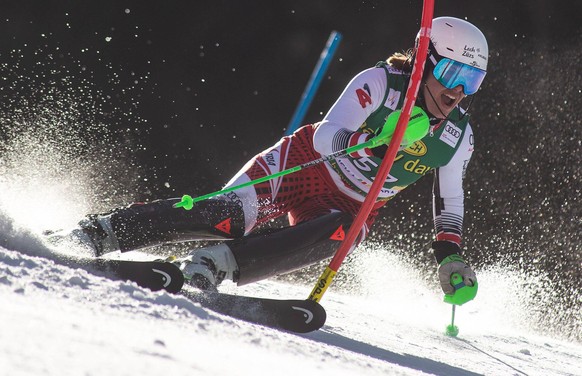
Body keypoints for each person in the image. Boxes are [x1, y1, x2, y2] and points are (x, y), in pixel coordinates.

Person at [50, 17, 487, 297]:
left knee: (344, 234)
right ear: (425, 63)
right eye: (452, 73)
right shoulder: (380, 83)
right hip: (300, 166)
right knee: (229, 216)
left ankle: (216, 264)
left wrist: (448, 256)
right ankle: (102, 231)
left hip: (348, 204)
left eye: (473, 79)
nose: (458, 91)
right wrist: (369, 142)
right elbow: (327, 135)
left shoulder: (457, 136)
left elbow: (449, 202)